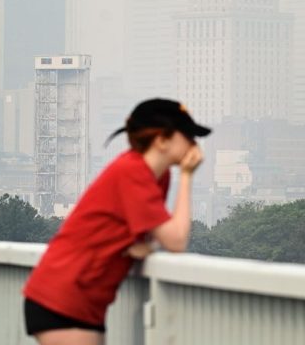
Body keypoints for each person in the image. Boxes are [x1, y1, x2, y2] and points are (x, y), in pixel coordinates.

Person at [23, 98, 210, 345]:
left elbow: (148, 231)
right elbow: (175, 240)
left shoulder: (157, 176)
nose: (194, 143)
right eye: (187, 135)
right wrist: (187, 176)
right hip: (64, 296)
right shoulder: (132, 172)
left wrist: (138, 244)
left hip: (87, 300)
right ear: (162, 140)